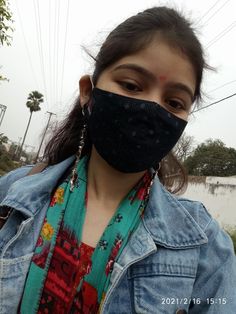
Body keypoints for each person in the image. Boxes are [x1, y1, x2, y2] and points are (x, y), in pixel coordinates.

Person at [0, 6, 235, 314]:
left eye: (174, 102)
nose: (152, 106)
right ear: (89, 92)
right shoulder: (11, 195)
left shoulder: (206, 249)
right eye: (131, 85)